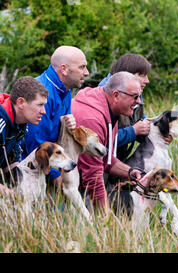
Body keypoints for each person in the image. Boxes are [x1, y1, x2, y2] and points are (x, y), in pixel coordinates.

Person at [71, 72, 145, 210]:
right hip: (65, 191)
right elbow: (92, 175)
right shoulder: (92, 120)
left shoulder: (110, 109)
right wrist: (105, 218)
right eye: (135, 96)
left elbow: (105, 158)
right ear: (116, 95)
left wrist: (129, 172)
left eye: (139, 96)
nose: (139, 102)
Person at [23, 45, 88, 182]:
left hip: (53, 163)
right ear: (64, 69)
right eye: (82, 67)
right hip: (29, 171)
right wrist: (57, 179)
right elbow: (35, 147)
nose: (87, 72)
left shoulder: (66, 90)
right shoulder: (42, 94)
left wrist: (67, 123)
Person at [98, 53, 153, 161]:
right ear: (126, 74)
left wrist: (160, 132)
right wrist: (133, 131)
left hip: (117, 162)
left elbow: (141, 123)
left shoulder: (133, 90)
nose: (147, 80)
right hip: (100, 165)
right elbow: (101, 141)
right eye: (142, 75)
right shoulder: (104, 96)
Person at [0, 77, 48, 194]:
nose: (44, 111)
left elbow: (10, 162)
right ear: (21, 102)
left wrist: (26, 184)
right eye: (39, 105)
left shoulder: (21, 124)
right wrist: (9, 194)